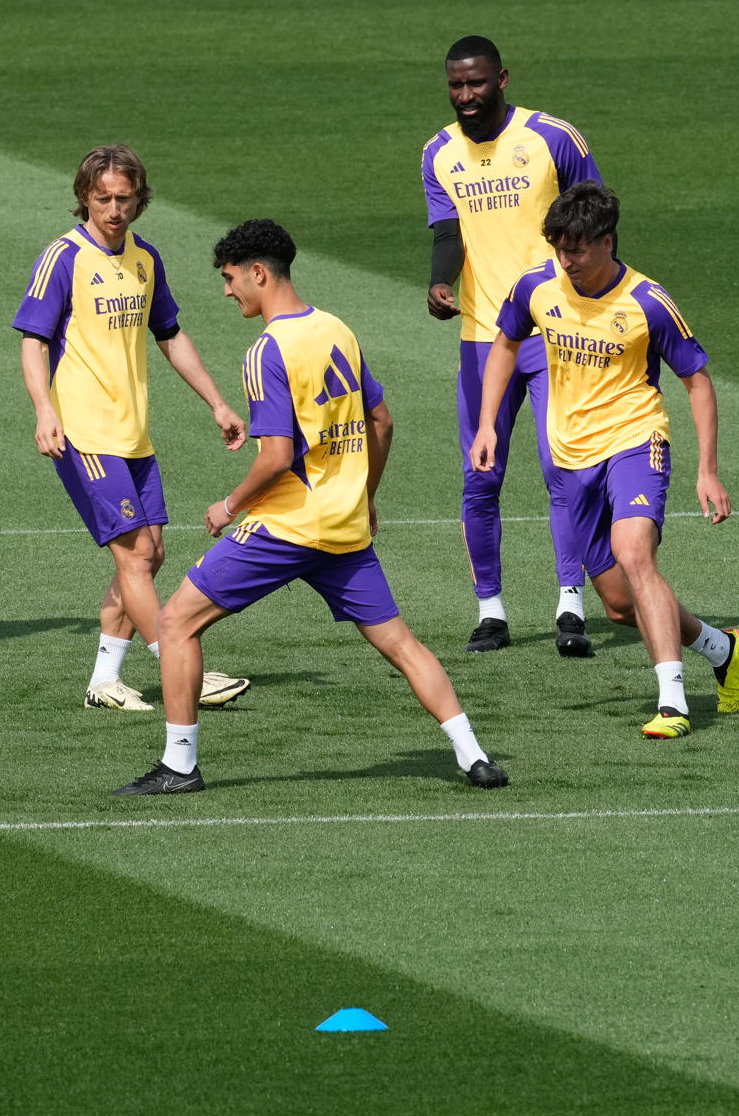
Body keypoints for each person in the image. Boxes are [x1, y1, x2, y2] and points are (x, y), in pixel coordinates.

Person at [114, 220, 508, 796]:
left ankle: (179, 766)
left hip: (286, 527)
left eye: (230, 279)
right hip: (344, 527)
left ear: (258, 273)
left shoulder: (266, 351)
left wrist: (229, 504)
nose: (227, 292)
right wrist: (365, 496)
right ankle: (474, 755)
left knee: (175, 622)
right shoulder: (336, 329)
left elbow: (275, 458)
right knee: (400, 643)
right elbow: (382, 421)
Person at [472, 183, 739, 738]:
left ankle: (673, 702)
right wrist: (486, 424)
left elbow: (697, 380)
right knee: (621, 605)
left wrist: (707, 469)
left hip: (635, 440)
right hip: (573, 456)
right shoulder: (537, 287)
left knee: (633, 551)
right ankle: (722, 648)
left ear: (605, 241)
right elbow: (504, 343)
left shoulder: (647, 302)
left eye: (576, 248)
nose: (566, 260)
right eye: (558, 248)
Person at [13, 145, 251, 712]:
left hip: (133, 433)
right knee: (135, 554)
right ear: (84, 198)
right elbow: (32, 341)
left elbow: (170, 334)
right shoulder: (63, 258)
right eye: (103, 199)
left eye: (124, 198)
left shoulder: (145, 259)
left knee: (151, 554)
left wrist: (217, 403)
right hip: (84, 432)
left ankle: (104, 680)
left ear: (140, 200)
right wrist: (44, 411)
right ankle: (178, 657)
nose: (114, 209)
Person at [422, 35, 602, 655]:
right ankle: (491, 612)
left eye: (476, 83)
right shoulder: (438, 153)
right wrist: (439, 281)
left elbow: (598, 219)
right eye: (455, 86)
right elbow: (448, 232)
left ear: (502, 78)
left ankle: (570, 606)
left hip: (556, 334)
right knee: (481, 477)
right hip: (482, 339)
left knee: (563, 470)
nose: (466, 96)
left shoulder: (552, 138)